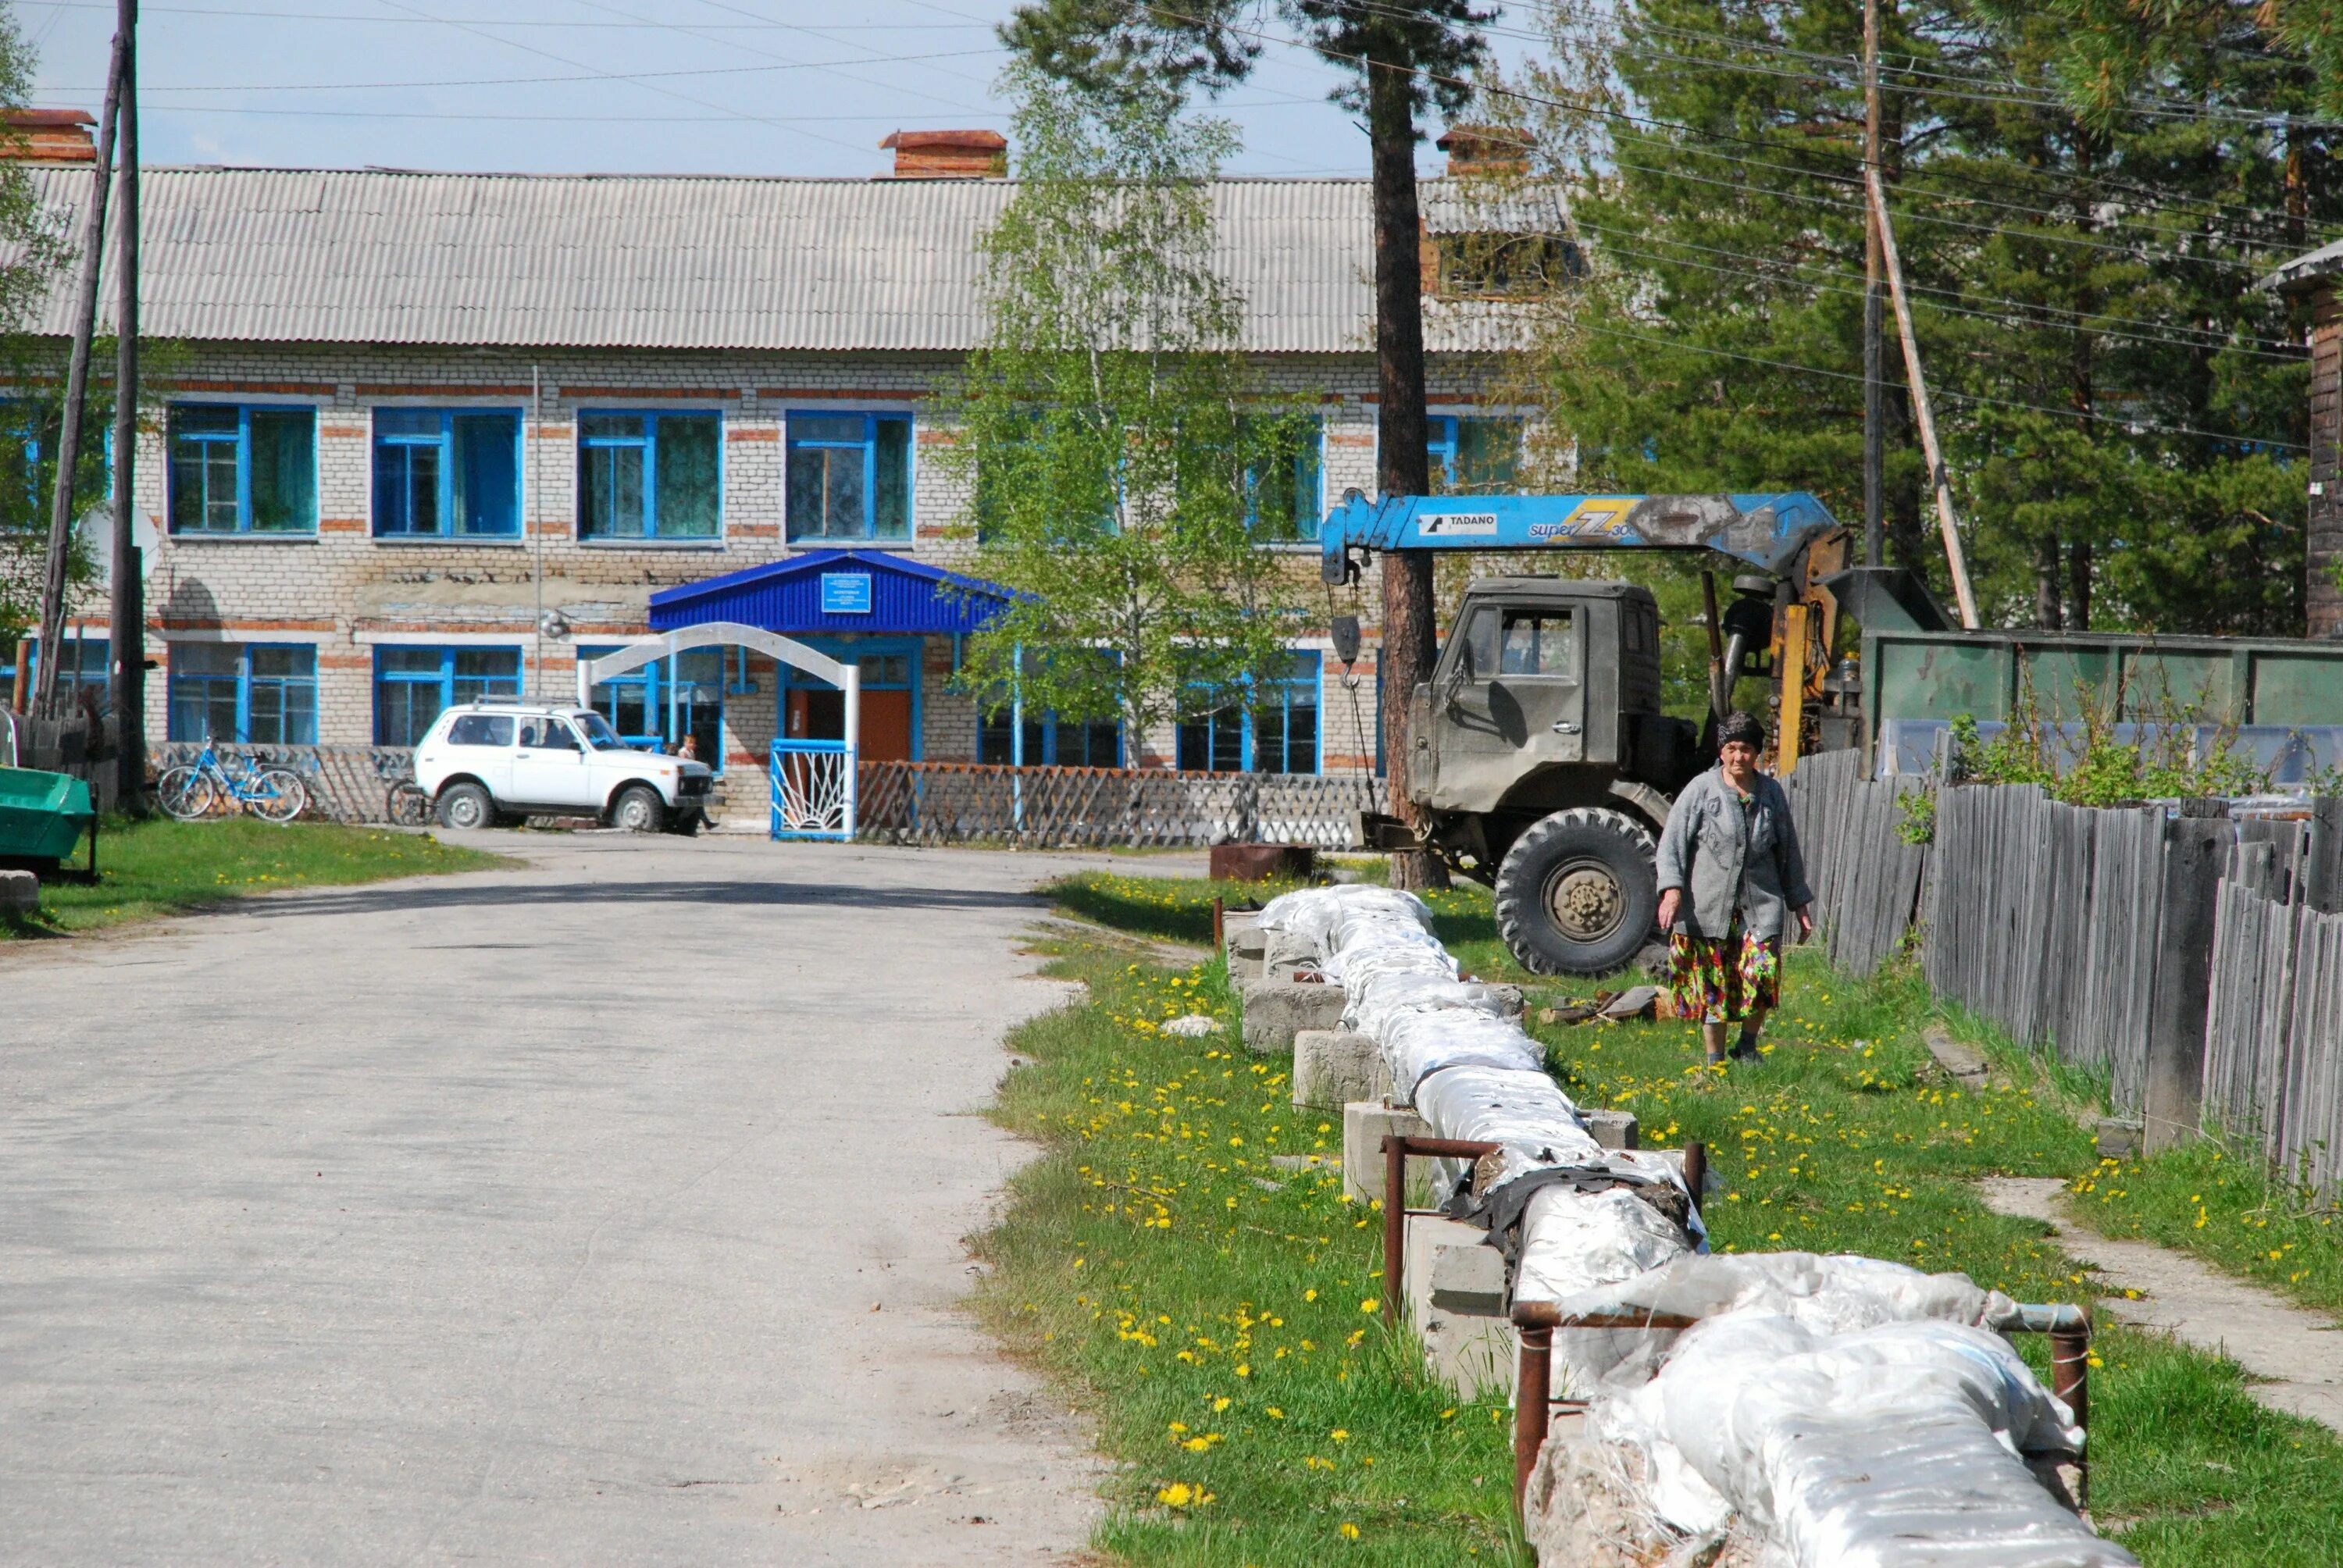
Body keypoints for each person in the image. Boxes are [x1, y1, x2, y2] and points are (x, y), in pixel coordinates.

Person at [1654, 710, 1814, 1067]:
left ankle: (1747, 1046)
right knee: (1714, 986)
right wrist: (1672, 890)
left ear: (1757, 754)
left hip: (1761, 905)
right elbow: (1673, 843)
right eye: (1732, 748)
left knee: (1761, 974)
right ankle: (1715, 1060)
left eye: (1746, 749)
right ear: (1722, 751)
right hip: (1709, 906)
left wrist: (1799, 904)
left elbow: (1788, 851)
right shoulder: (1700, 790)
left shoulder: (1771, 793)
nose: (1739, 756)